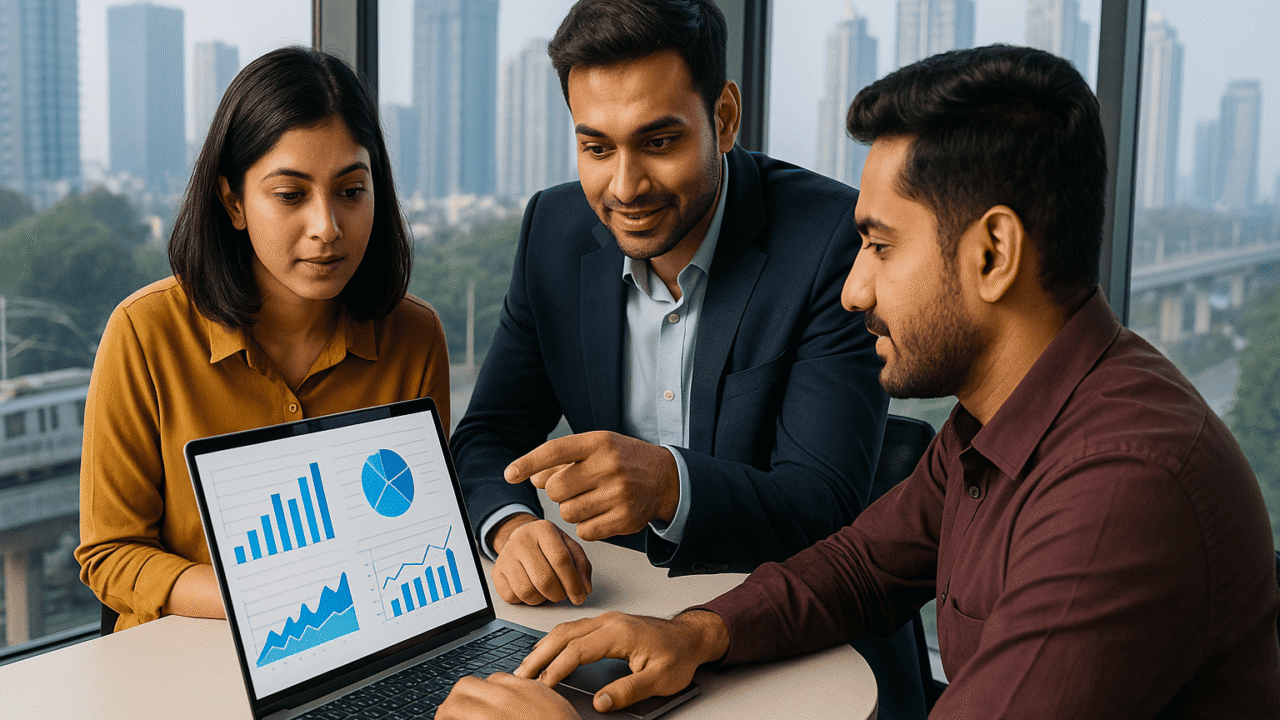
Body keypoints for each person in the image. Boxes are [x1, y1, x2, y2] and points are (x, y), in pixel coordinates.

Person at [437, 45, 1280, 720]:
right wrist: (694, 635)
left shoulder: (1122, 488)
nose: (853, 289)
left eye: (879, 246)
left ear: (993, 254)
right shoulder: (1002, 418)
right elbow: (860, 568)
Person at [75, 47, 450, 631]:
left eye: (351, 191)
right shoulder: (145, 333)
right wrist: (271, 601)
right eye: (291, 195)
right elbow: (111, 554)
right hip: (184, 658)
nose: (327, 227)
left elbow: (419, 535)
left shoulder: (414, 337)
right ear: (233, 202)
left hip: (363, 649)